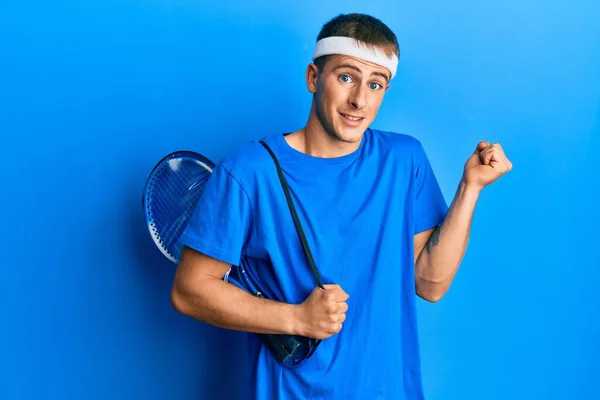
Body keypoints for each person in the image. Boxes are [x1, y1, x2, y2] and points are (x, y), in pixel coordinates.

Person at [170, 12, 512, 400]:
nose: (359, 100)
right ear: (314, 78)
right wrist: (296, 318)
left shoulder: (404, 160)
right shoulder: (249, 171)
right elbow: (190, 290)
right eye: (346, 77)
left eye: (376, 84)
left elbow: (430, 283)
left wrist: (470, 188)